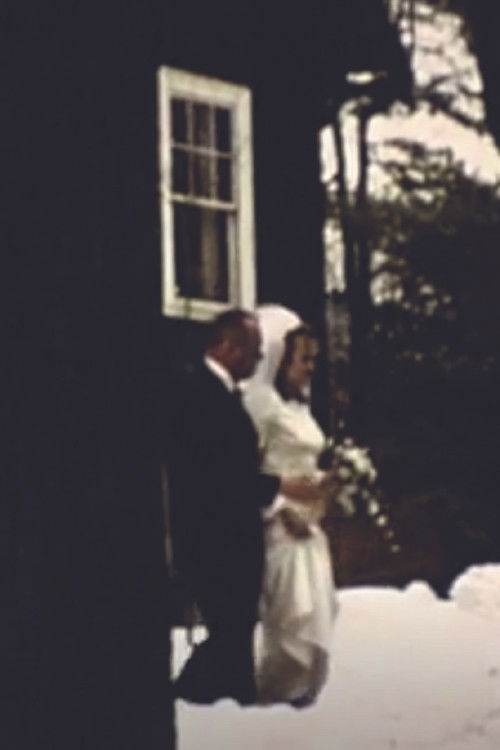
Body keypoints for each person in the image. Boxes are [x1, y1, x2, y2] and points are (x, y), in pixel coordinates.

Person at [166, 309, 322, 705]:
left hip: (233, 532)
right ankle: (197, 695)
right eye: (254, 351)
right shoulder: (197, 395)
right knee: (230, 625)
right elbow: (217, 473)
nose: (258, 361)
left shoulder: (224, 394)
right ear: (228, 347)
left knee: (236, 626)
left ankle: (233, 696)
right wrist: (279, 488)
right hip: (212, 533)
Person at [242, 304, 339, 707]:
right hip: (280, 523)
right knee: (289, 610)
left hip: (309, 523)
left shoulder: (299, 408)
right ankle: (276, 689)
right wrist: (280, 507)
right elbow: (250, 472)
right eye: (304, 360)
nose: (310, 368)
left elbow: (308, 463)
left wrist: (329, 484)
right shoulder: (264, 406)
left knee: (319, 604)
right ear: (282, 362)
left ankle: (304, 691)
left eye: (314, 360)